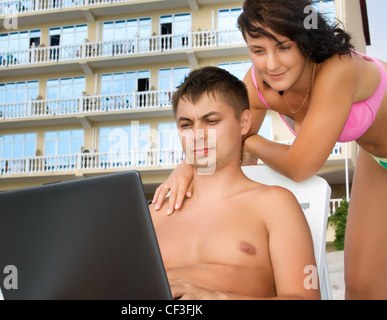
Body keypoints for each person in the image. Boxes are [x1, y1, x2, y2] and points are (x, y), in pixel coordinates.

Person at [152, 0, 387, 300]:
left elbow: (301, 165)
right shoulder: (258, 83)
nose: (271, 64)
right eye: (258, 50)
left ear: (305, 41)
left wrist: (252, 142)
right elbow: (224, 134)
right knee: (364, 291)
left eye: (283, 47)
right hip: (377, 158)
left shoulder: (339, 69)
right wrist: (188, 167)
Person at [149, 66, 320, 300]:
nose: (197, 135)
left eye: (211, 121)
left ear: (244, 122)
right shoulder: (154, 214)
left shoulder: (275, 204)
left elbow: (306, 298)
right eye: (186, 125)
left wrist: (216, 298)